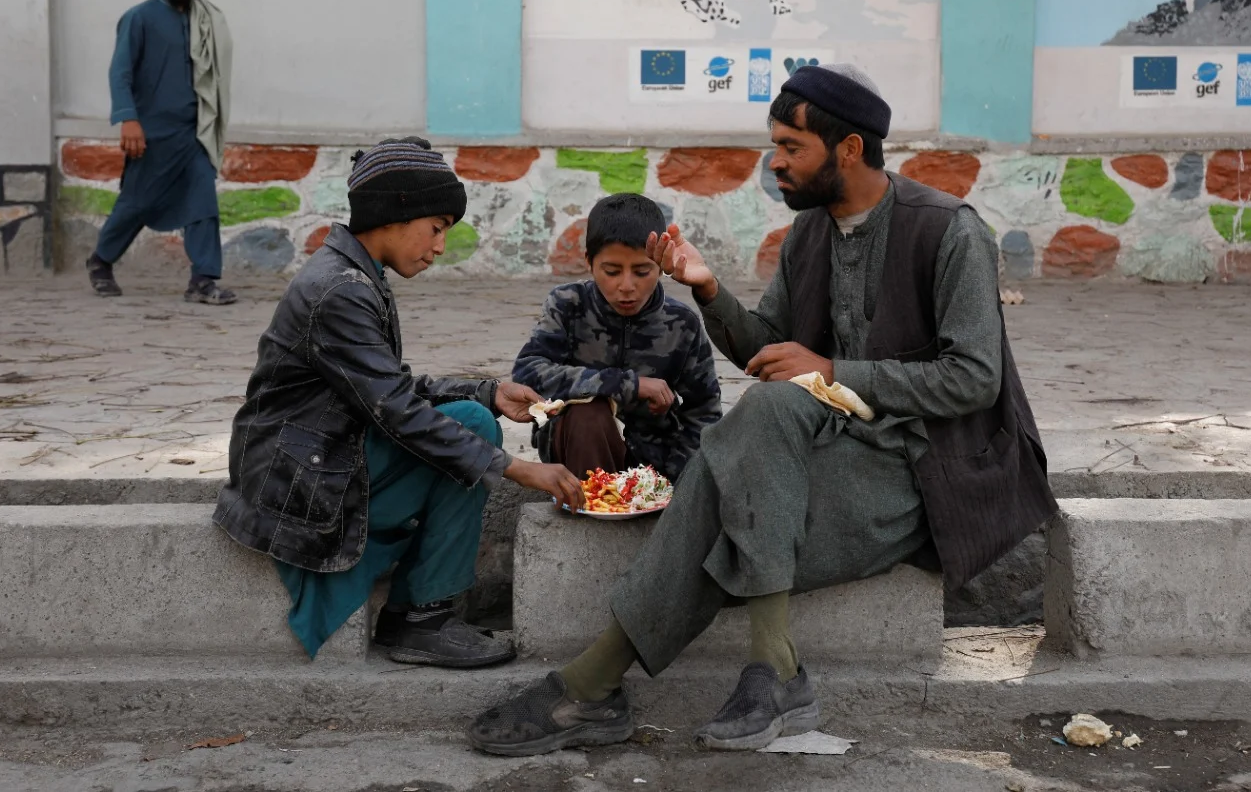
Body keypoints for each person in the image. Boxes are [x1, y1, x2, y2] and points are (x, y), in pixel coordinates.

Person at [469, 64, 1058, 754]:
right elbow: (767, 351)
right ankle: (764, 674)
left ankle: (596, 685)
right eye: (773, 145)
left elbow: (974, 379)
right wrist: (709, 289)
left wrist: (834, 369)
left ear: (848, 150)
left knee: (740, 467)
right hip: (825, 452)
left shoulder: (948, 230)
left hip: (930, 469)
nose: (773, 163)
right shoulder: (810, 235)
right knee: (761, 425)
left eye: (790, 148)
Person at [213, 137, 586, 666]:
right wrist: (519, 469)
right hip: (294, 483)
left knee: (475, 414)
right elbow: (398, 411)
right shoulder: (339, 289)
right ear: (394, 214)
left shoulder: (354, 273)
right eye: (436, 229)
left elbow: (388, 385)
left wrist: (487, 390)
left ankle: (419, 610)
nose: (439, 247)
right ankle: (420, 619)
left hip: (311, 457)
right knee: (473, 433)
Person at [512, 193, 721, 483]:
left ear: (661, 264)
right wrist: (628, 385)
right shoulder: (568, 305)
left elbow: (705, 412)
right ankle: (596, 510)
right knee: (589, 415)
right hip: (579, 450)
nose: (626, 286)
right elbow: (528, 375)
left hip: (654, 464)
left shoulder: (682, 324)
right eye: (611, 271)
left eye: (642, 271)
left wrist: (677, 479)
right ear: (589, 262)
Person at [86, 0, 236, 304]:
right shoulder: (138, 18)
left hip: (193, 131)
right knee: (137, 203)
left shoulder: (203, 19)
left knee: (203, 199)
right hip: (151, 133)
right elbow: (120, 73)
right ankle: (101, 260)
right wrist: (128, 120)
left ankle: (202, 279)